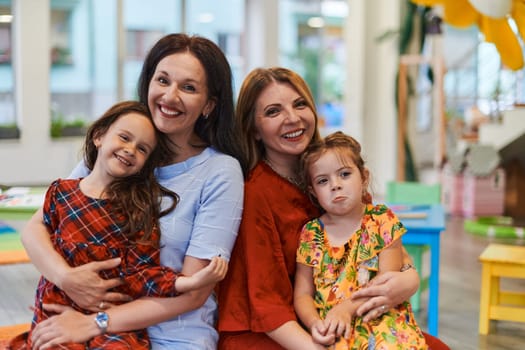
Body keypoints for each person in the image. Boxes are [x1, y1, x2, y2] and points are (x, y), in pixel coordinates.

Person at [19, 34, 244, 350]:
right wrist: (66, 278)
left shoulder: (220, 171)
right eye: (162, 80)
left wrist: (92, 323)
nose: (170, 95)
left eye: (188, 87)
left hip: (171, 334)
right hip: (81, 319)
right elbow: (36, 228)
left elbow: (194, 292)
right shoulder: (119, 148)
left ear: (209, 105)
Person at [217, 67, 448, 350]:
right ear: (254, 129)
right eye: (274, 111)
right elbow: (267, 307)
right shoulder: (255, 194)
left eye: (300, 104)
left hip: (341, 318)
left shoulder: (335, 170)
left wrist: (409, 280)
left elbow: (386, 246)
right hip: (269, 331)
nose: (293, 118)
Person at [294, 131, 427, 349]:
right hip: (335, 326)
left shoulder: (381, 220)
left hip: (378, 317)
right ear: (313, 191)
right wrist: (314, 324)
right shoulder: (311, 233)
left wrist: (346, 308)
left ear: (363, 177)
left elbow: (386, 282)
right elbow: (302, 294)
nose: (335, 185)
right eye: (322, 181)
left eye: (344, 174)